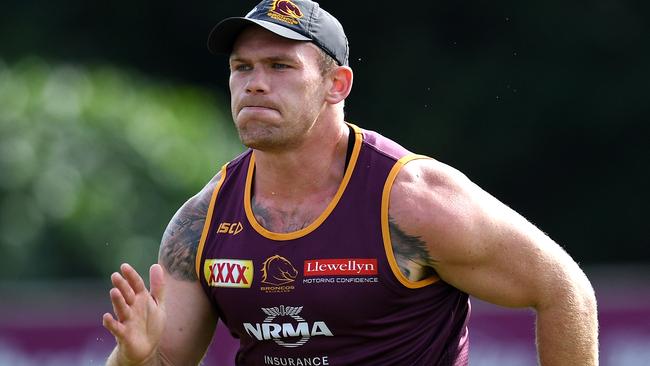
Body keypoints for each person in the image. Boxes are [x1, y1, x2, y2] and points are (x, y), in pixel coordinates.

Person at [102, 0, 599, 365]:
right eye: (242, 67)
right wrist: (132, 358)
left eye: (280, 66)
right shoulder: (202, 221)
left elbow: (563, 290)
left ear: (336, 85)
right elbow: (164, 362)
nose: (254, 83)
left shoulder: (411, 201)